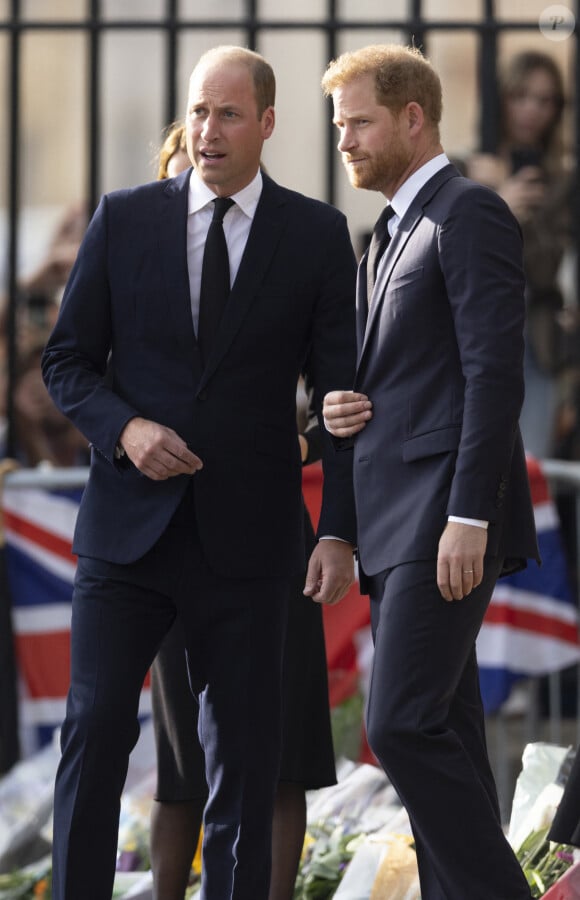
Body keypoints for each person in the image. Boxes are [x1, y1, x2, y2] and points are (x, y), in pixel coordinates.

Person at [42, 45, 357, 900]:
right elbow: (67, 361)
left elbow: (340, 396)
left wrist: (337, 529)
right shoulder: (126, 217)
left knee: (245, 762)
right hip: (127, 534)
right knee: (96, 731)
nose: (207, 132)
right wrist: (126, 429)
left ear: (266, 123)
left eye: (226, 114)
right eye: (197, 113)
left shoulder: (316, 235)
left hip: (251, 543)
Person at [321, 44, 539, 900]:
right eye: (340, 127)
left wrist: (470, 517)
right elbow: (405, 378)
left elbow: (496, 374)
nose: (346, 141)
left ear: (415, 118)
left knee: (400, 725)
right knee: (442, 726)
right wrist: (341, 408)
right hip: (395, 519)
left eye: (361, 122)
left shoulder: (469, 210)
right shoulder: (387, 229)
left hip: (444, 519)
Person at [149, 123, 338, 900]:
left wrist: (301, 447)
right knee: (183, 765)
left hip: (268, 540)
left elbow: (344, 387)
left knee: (279, 753)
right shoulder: (136, 258)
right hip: (167, 535)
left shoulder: (295, 244)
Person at [465, 51, 574, 460]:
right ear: (502, 98)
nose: (532, 110)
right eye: (522, 95)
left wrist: (517, 214)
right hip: (467, 335)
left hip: (535, 339)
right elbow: (448, 251)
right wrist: (495, 200)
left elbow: (547, 269)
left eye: (545, 100)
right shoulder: (465, 167)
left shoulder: (561, 181)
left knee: (530, 468)